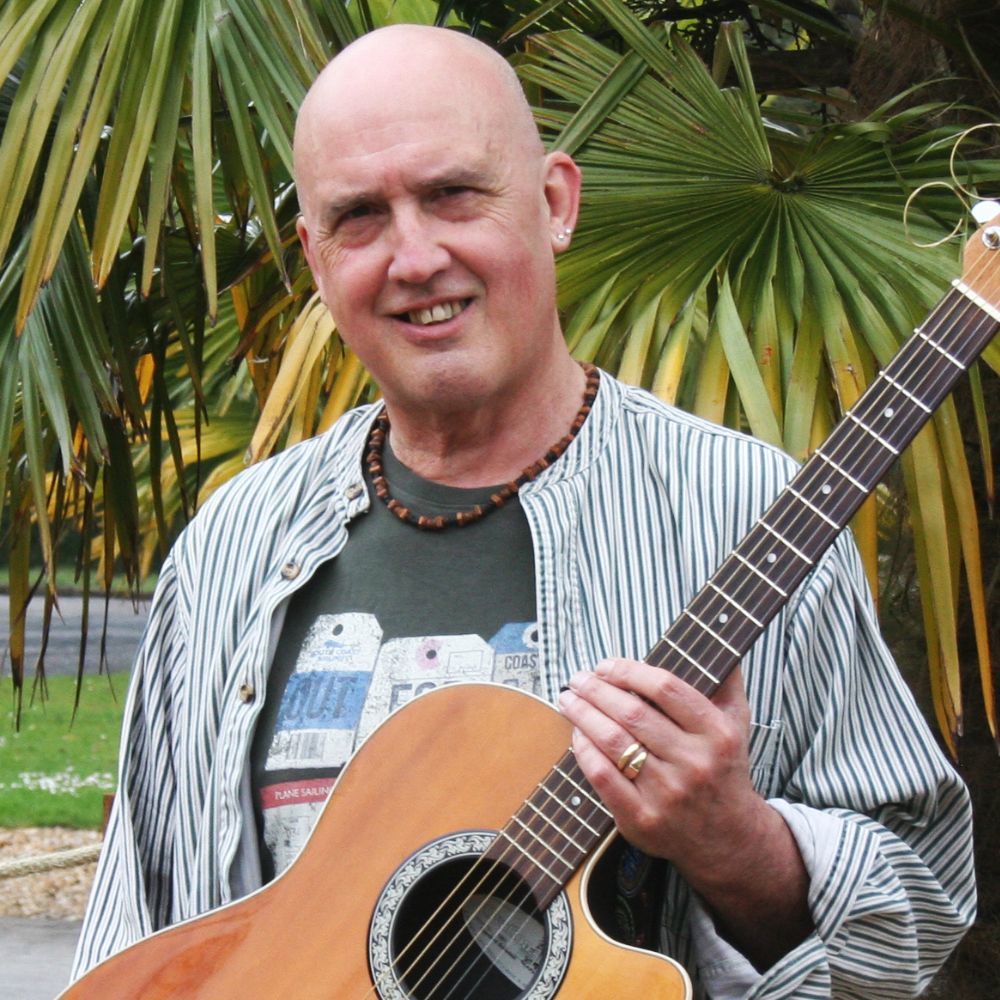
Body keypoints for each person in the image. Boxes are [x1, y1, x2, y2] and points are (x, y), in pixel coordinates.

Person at [72, 24, 974, 999]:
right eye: (360, 217)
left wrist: (741, 843)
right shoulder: (231, 548)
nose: (413, 256)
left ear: (554, 202)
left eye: (453, 194)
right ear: (315, 255)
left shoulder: (745, 514)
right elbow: (138, 926)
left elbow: (919, 914)